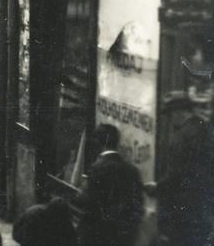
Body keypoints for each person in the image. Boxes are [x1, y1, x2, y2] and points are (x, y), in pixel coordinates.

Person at [156, 97, 214, 246]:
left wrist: (157, 187)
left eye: (170, 115)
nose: (170, 120)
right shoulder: (206, 128)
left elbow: (175, 175)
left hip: (184, 210)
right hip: (205, 208)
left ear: (178, 113)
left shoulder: (181, 137)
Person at [73, 125, 143, 246]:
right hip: (124, 237)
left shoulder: (97, 169)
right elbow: (138, 206)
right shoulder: (132, 170)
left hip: (99, 237)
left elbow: (86, 201)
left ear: (98, 143)